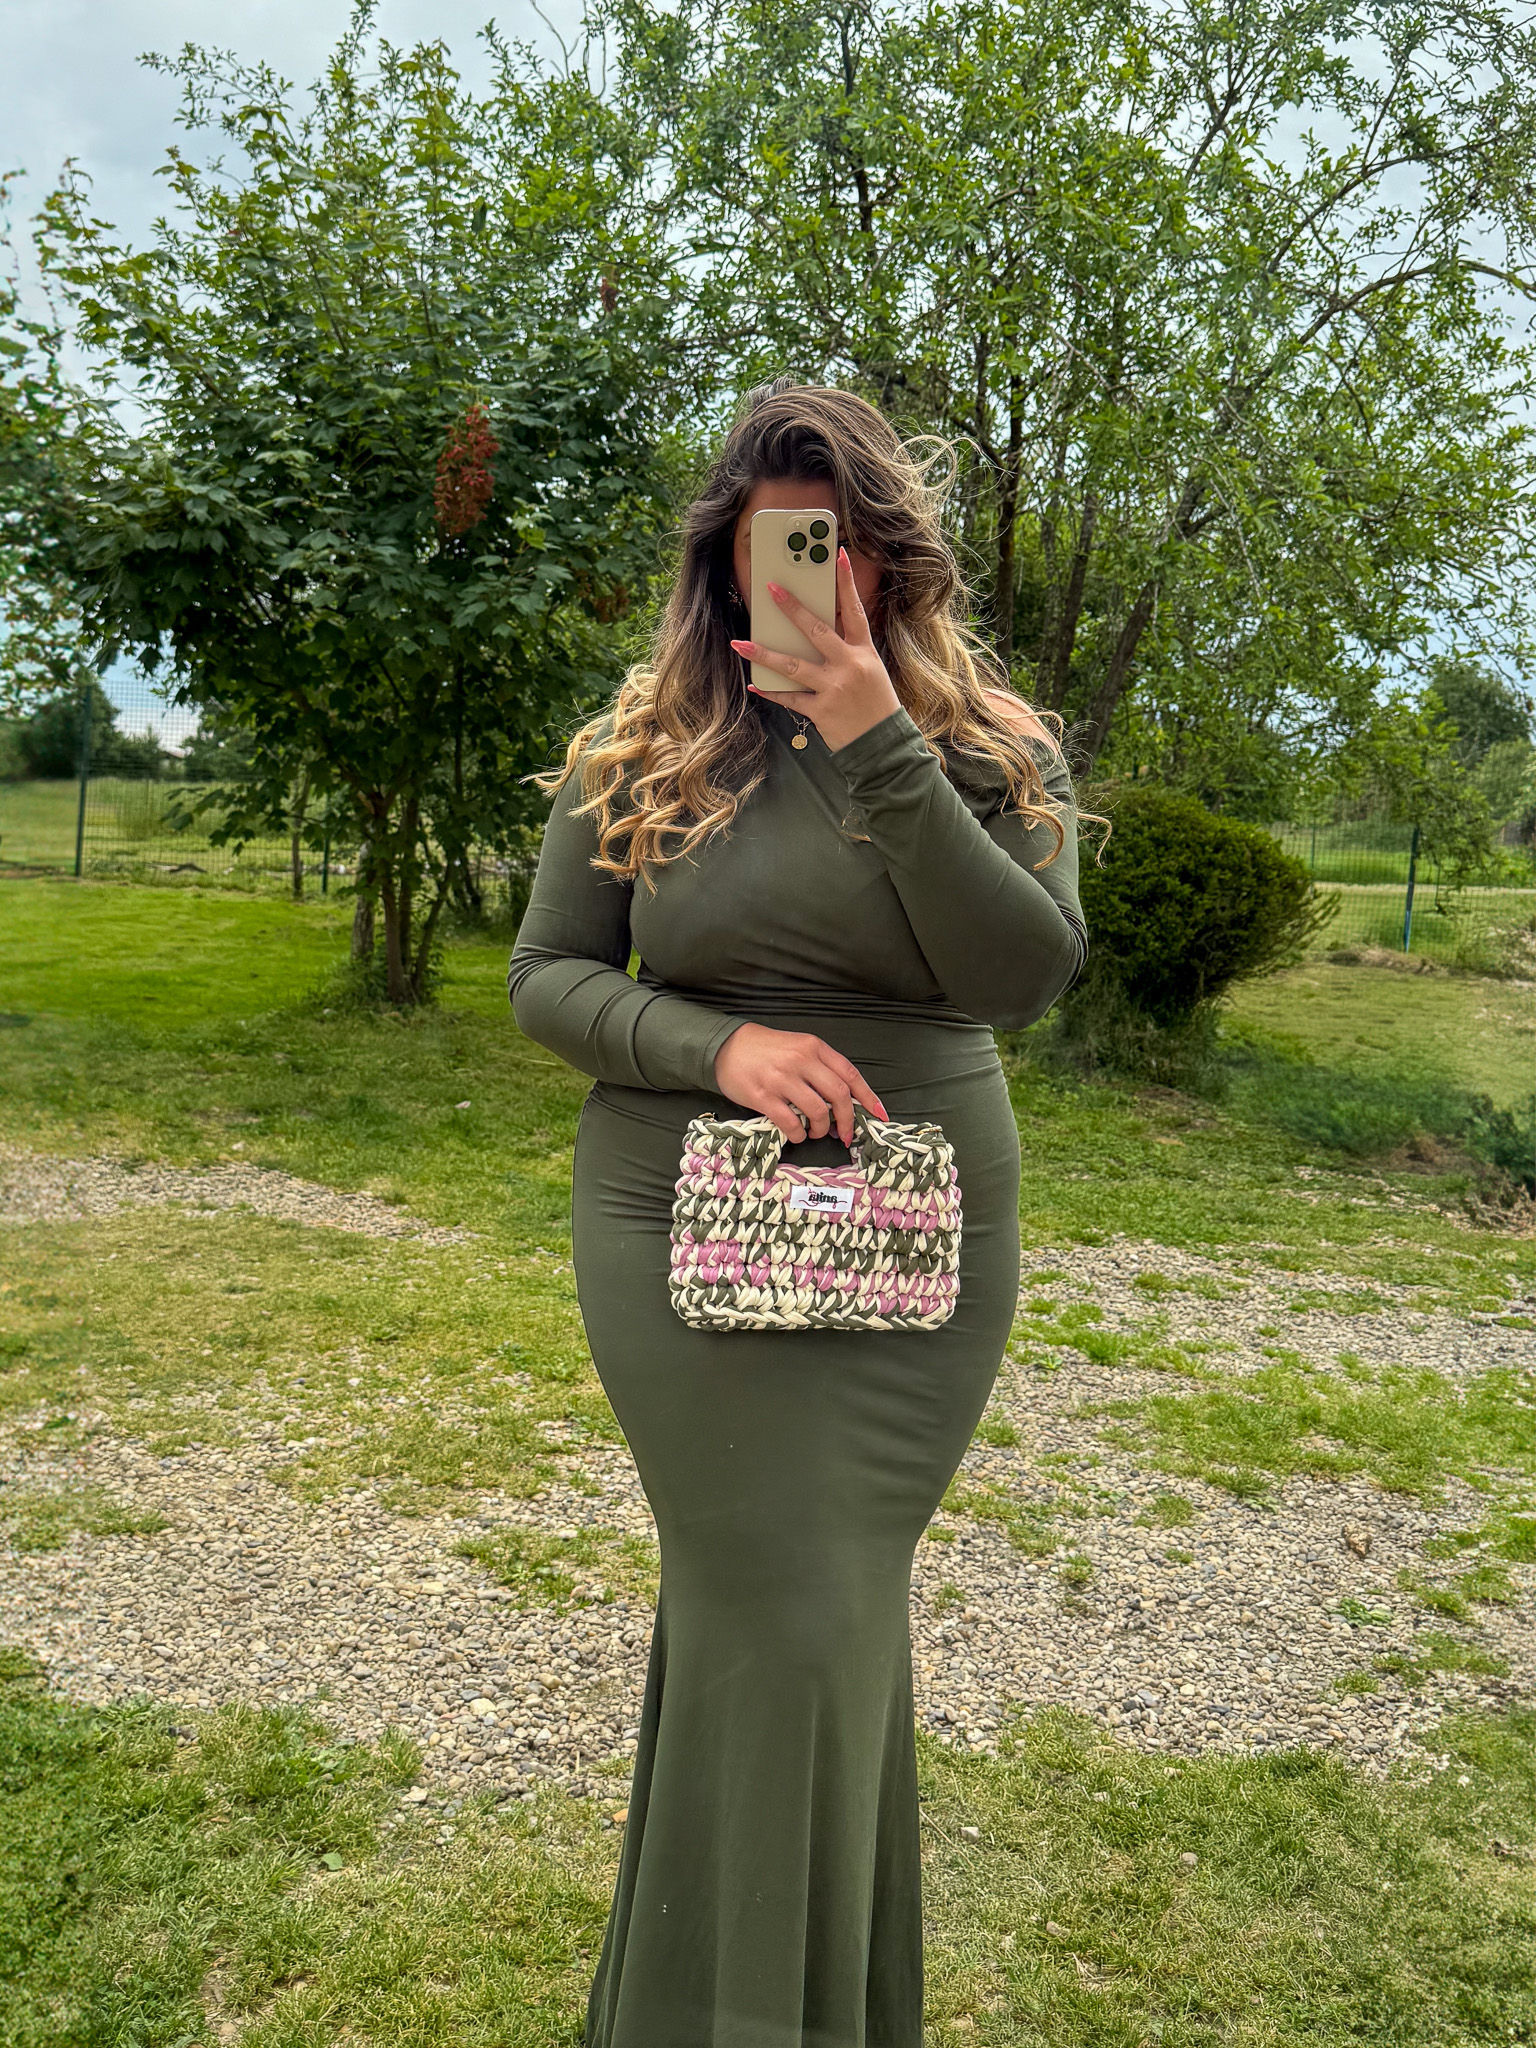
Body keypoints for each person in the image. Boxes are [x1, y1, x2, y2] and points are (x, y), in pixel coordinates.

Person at [507, 379, 1086, 2048]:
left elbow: (1021, 977)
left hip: (919, 1235)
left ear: (891, 556)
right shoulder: (644, 744)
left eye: (837, 542)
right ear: (724, 560)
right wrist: (723, 1048)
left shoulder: (992, 748)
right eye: (774, 544)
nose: (809, 576)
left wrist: (881, 741)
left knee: (825, 1615)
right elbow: (548, 978)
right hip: (675, 1219)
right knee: (775, 1606)